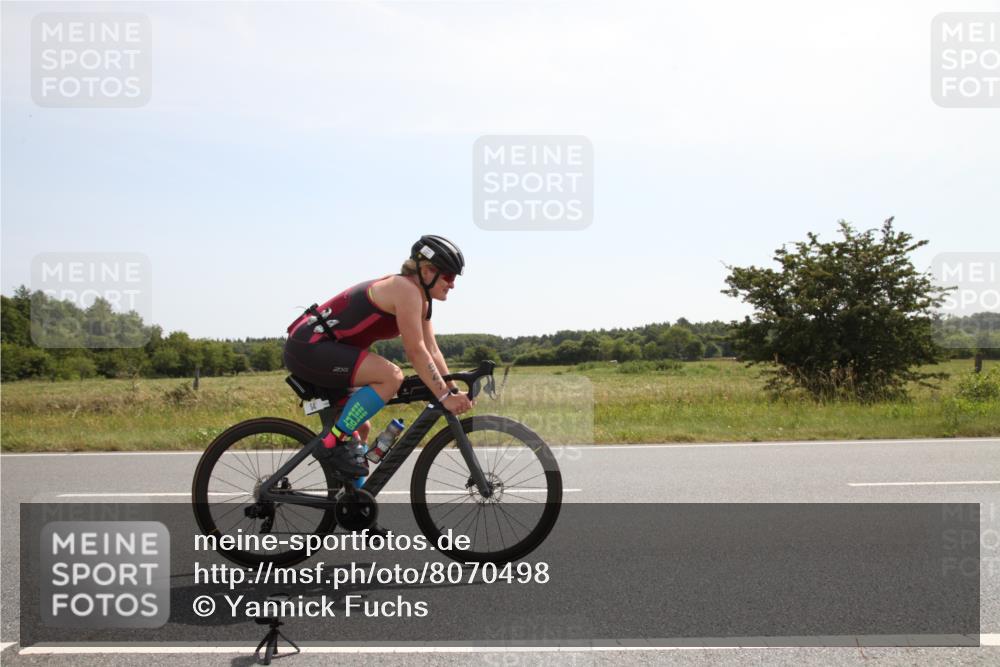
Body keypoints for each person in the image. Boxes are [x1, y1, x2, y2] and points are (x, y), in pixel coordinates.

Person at [283, 235, 474, 479]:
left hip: (324, 350)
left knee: (360, 429)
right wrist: (443, 395)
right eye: (449, 277)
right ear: (427, 271)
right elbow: (415, 350)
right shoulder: (405, 289)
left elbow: (432, 350)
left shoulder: (420, 299)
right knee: (390, 376)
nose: (453, 285)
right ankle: (331, 443)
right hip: (309, 347)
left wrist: (452, 390)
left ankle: (354, 506)